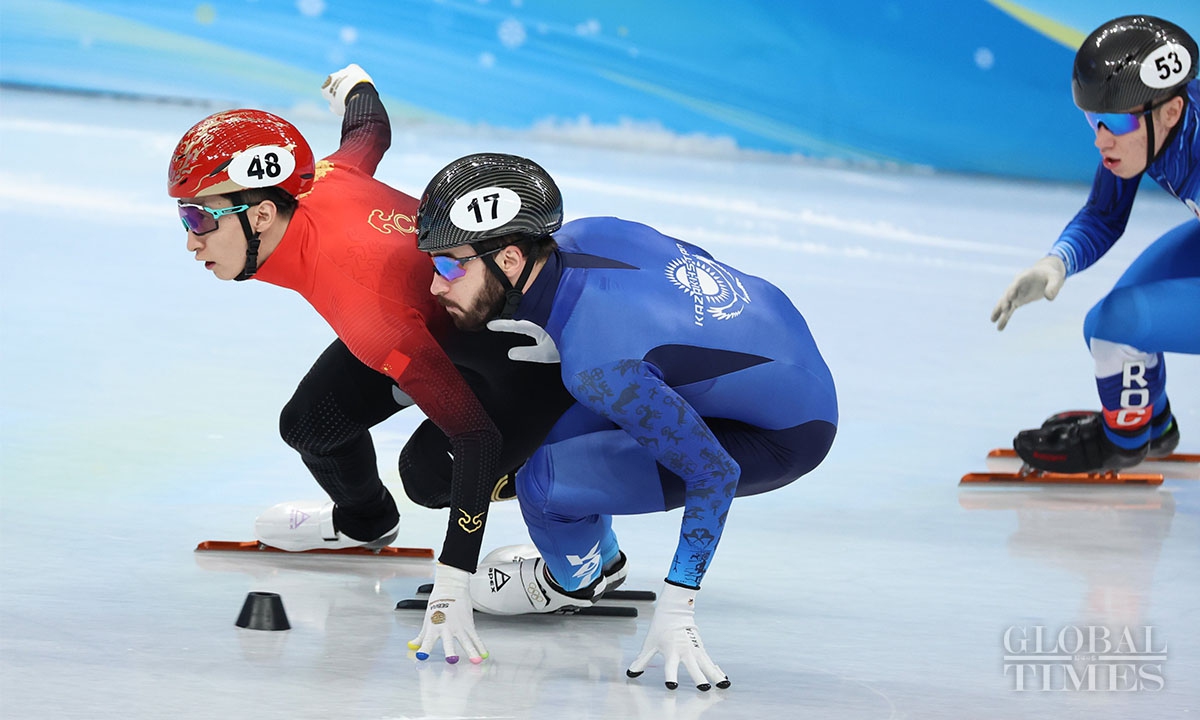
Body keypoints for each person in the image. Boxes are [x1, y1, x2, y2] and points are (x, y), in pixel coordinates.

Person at [167, 66, 572, 664]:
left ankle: (584, 549)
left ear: (261, 216)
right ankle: (364, 523)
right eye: (185, 217)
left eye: (199, 218)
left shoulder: (364, 307)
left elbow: (476, 436)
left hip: (514, 361)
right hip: (425, 326)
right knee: (309, 426)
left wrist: (453, 579)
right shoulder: (323, 178)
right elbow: (368, 132)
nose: (190, 240)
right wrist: (354, 86)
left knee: (429, 477)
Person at [406, 152, 838, 690]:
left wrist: (678, 604)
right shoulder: (593, 231)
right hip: (781, 340)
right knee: (561, 419)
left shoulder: (599, 366)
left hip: (782, 438)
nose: (435, 286)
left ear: (511, 259)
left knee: (543, 480)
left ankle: (575, 579)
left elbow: (714, 473)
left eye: (449, 265)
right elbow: (691, 265)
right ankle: (598, 550)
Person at [991, 15, 1199, 473]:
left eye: (1115, 122)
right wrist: (1055, 262)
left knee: (1117, 326)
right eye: (1093, 119)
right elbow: (1105, 215)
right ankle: (1151, 421)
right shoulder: (1152, 127)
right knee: (1116, 320)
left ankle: (1122, 442)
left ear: (1171, 112)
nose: (1101, 139)